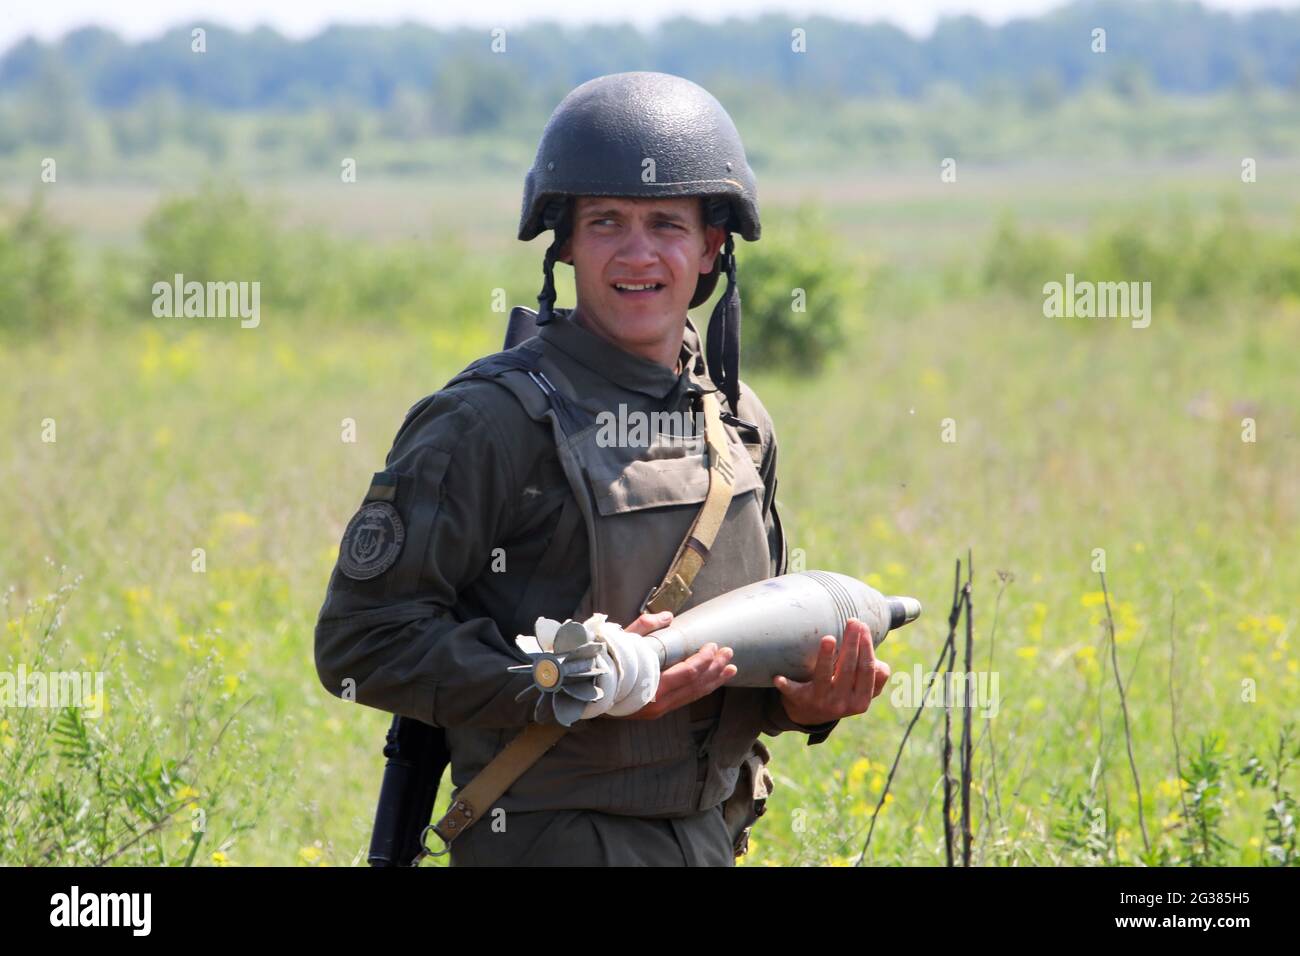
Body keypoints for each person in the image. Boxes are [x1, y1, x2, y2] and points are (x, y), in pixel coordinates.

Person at [314, 71, 891, 866]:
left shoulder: (738, 423)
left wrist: (808, 703)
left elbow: (736, 661)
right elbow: (361, 643)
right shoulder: (488, 422)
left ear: (712, 246)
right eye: (606, 222)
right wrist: (574, 681)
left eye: (666, 223)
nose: (638, 252)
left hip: (710, 838)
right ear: (568, 244)